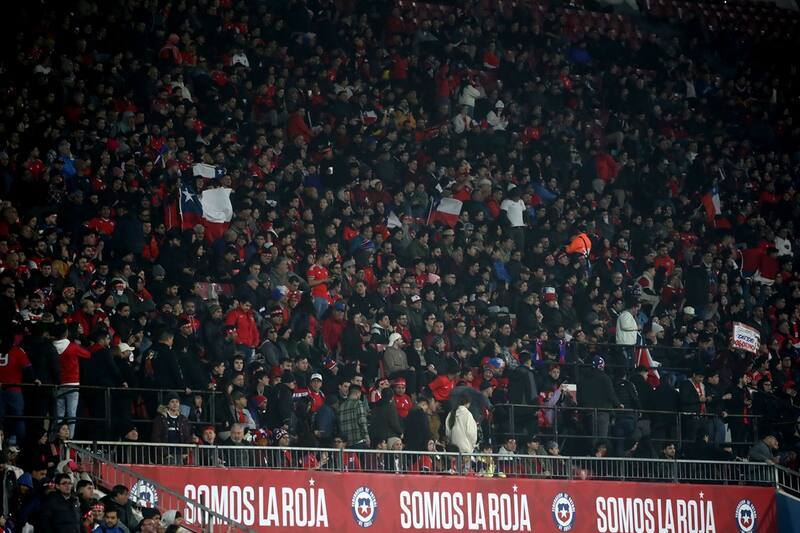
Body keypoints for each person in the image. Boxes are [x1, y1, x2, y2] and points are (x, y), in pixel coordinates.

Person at [577, 356, 623, 447]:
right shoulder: (605, 378)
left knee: (592, 438)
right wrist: (618, 404)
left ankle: (593, 457)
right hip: (602, 412)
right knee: (602, 439)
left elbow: (579, 397)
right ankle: (599, 459)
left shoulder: (582, 378)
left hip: (587, 413)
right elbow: (610, 394)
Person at [339, 384, 370, 449]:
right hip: (358, 440)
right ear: (358, 393)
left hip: (346, 442)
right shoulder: (358, 403)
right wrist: (367, 437)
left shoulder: (341, 406)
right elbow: (362, 421)